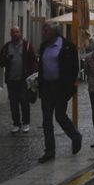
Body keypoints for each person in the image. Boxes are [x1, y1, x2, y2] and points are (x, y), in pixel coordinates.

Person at [36, 22, 83, 163]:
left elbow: (74, 68)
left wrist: (68, 86)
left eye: (46, 31)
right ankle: (49, 151)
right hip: (46, 87)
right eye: (43, 30)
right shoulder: (43, 46)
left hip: (60, 87)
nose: (43, 33)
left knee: (60, 116)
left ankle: (75, 136)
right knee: (46, 120)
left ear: (54, 33)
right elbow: (42, 67)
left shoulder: (68, 47)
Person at [0, 25, 38, 133]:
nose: (16, 34)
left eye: (17, 32)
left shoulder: (27, 46)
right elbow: (0, 63)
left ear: (20, 33)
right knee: (13, 104)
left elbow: (34, 61)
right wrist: (6, 59)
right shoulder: (6, 47)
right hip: (11, 80)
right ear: (10, 34)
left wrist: (31, 74)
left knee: (24, 102)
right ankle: (16, 124)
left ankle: (26, 123)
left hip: (23, 80)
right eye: (13, 32)